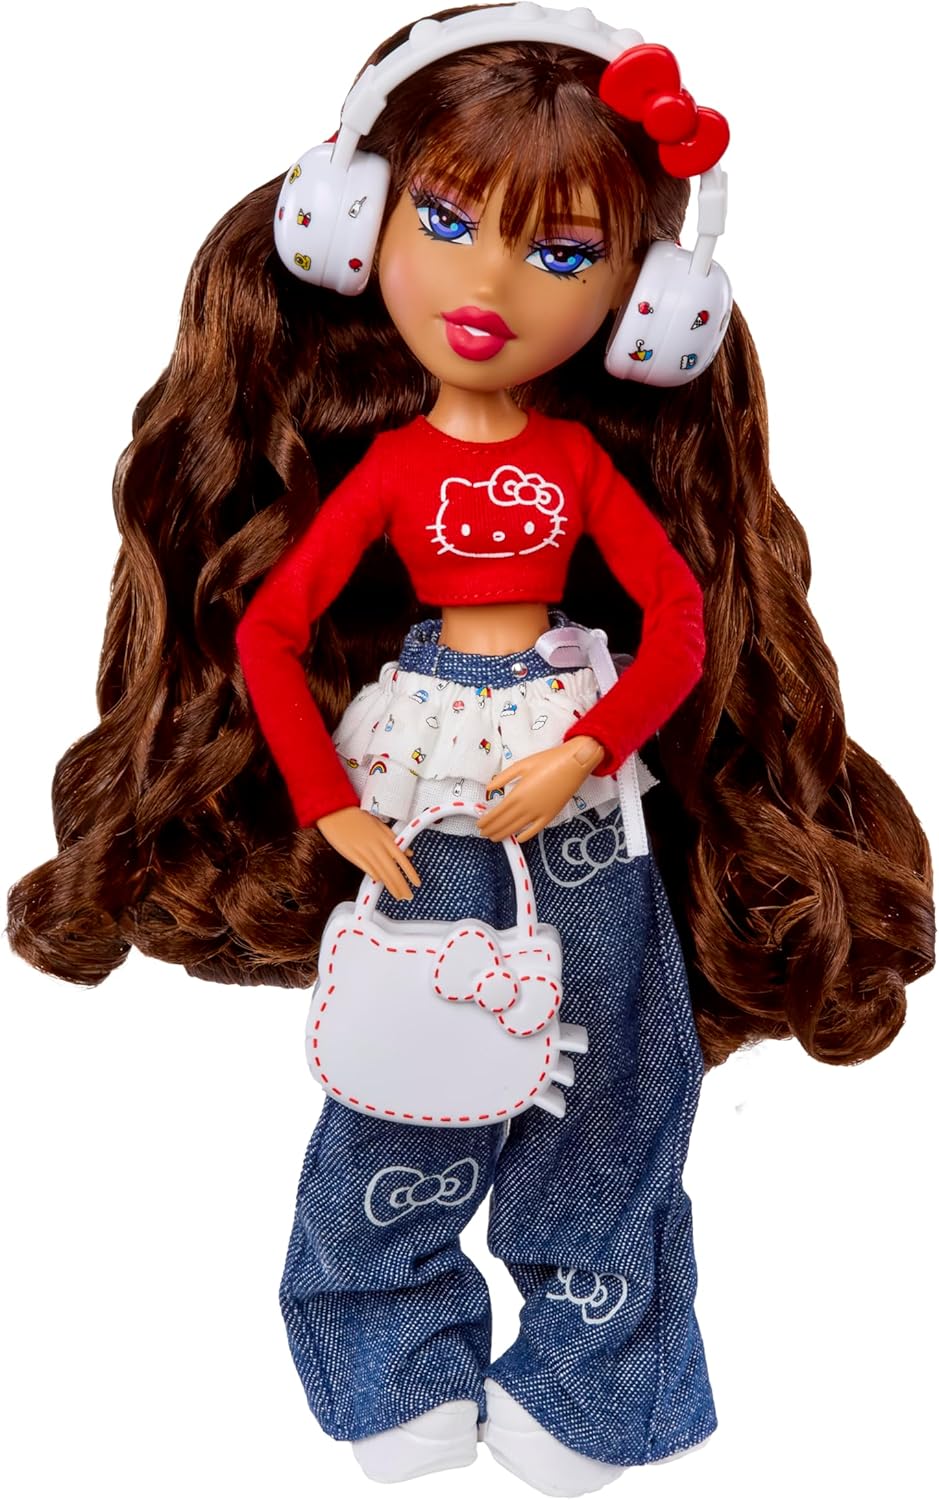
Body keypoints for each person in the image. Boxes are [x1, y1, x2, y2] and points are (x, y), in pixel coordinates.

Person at [6, 6, 934, 1498]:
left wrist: (589, 752)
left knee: (621, 1067)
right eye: (445, 223)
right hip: (423, 771)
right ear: (350, 226)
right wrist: (332, 806)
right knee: (412, 1061)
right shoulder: (385, 469)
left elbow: (679, 625)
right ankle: (387, 1345)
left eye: (563, 254)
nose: (489, 288)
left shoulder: (579, 464)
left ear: (650, 305)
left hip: (578, 768)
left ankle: (598, 1373)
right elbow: (271, 633)